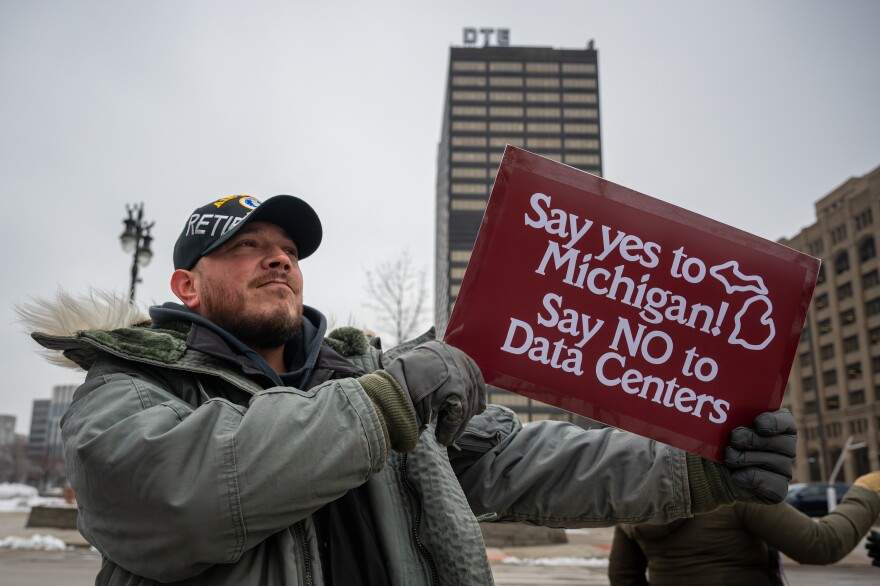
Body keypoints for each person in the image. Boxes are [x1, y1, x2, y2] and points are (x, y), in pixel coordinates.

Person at [21, 194, 799, 585]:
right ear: (186, 284)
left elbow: (527, 462)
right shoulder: (129, 385)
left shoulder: (357, 377)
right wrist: (388, 401)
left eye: (288, 250)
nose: (279, 260)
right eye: (248, 247)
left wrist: (696, 464)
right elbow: (177, 495)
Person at [608, 471, 880, 586]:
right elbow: (821, 544)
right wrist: (866, 492)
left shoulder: (632, 503)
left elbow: (623, 577)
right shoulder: (732, 493)